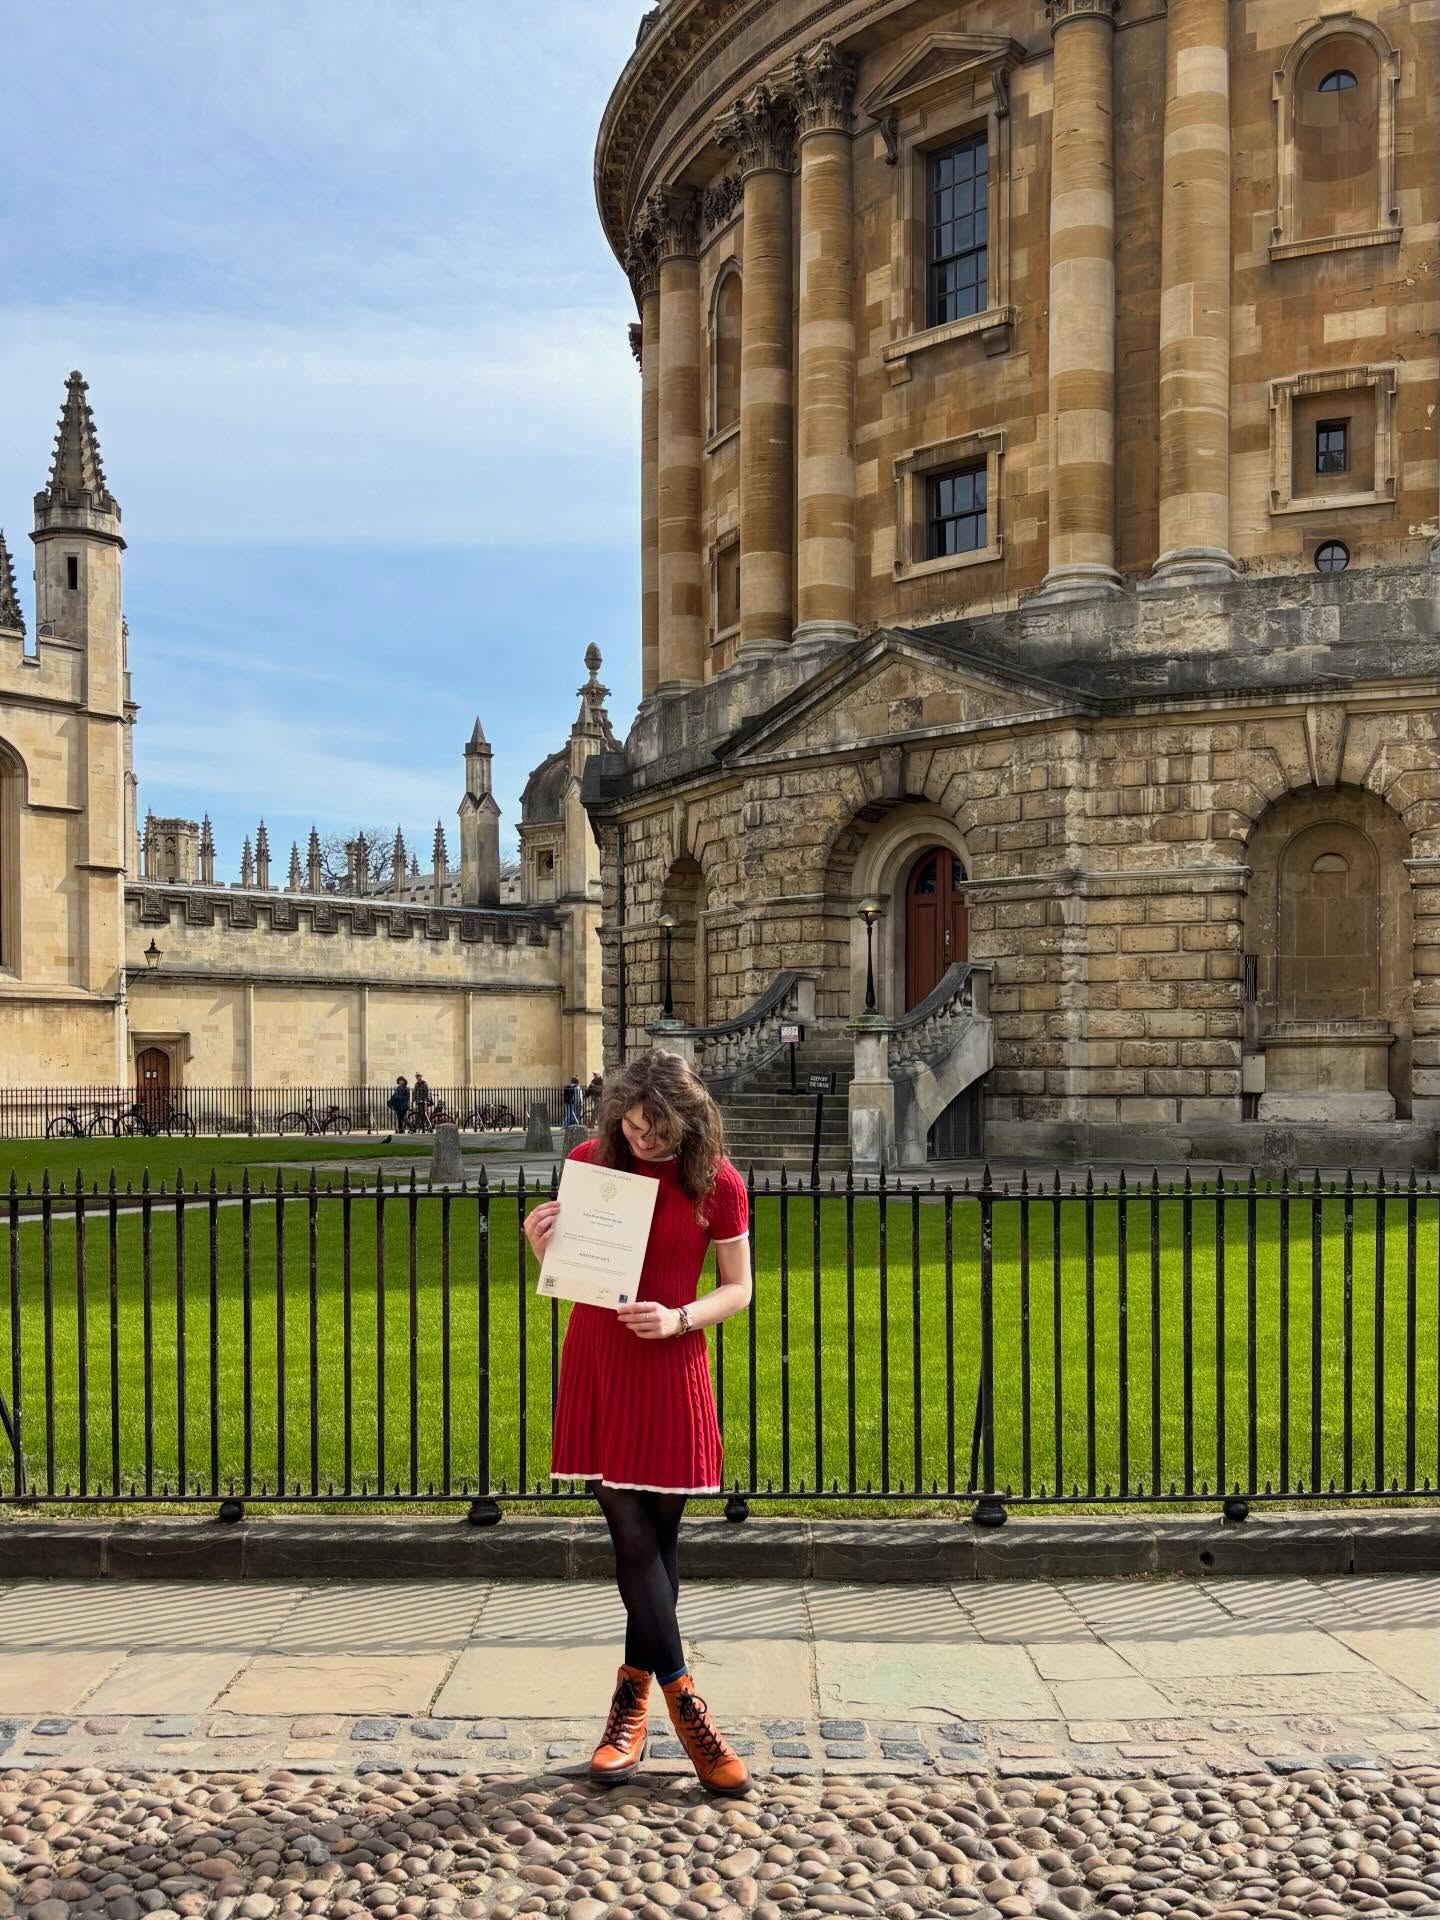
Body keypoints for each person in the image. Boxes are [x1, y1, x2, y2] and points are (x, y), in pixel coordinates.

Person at [523, 1048, 753, 1796]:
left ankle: (630, 1703)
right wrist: (542, 1248)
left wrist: (682, 1317)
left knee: (660, 1543)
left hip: (671, 1361)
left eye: (661, 1131)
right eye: (636, 1126)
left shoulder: (717, 1182)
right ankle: (687, 1707)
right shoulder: (593, 1161)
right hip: (600, 1359)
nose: (646, 1141)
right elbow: (576, 1269)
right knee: (630, 1537)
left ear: (691, 1122)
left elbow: (738, 1289)